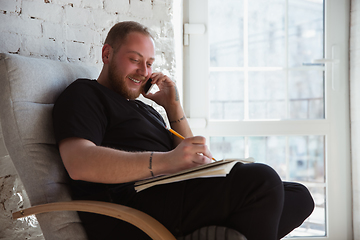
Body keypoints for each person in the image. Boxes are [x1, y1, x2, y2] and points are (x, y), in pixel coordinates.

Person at [52, 21, 314, 240]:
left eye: (150, 64)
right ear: (107, 54)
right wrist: (167, 161)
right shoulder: (85, 94)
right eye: (134, 60)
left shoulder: (146, 110)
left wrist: (173, 107)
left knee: (299, 196)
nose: (144, 72)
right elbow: (79, 163)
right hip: (130, 205)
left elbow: (200, 157)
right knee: (262, 181)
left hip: (172, 193)